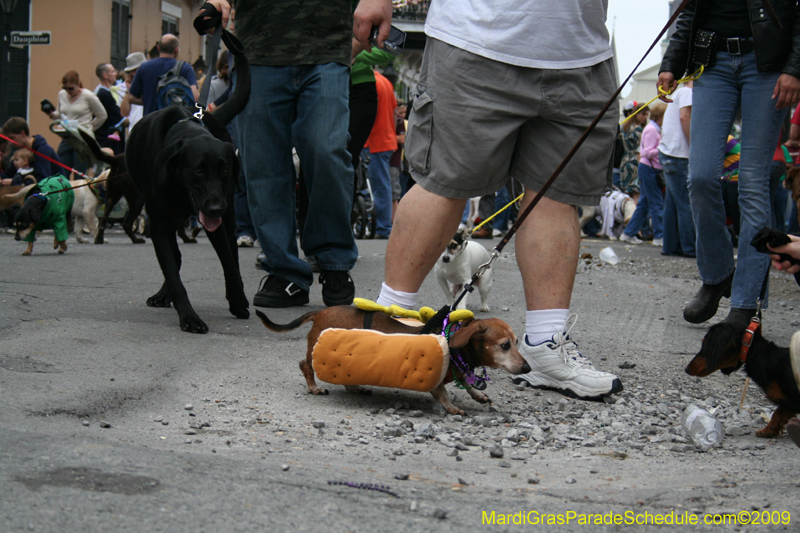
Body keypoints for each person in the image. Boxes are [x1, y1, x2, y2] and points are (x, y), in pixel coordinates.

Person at [370, 0, 622, 400]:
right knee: (444, 182)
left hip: (581, 51)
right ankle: (387, 327)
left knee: (556, 196)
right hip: (475, 37)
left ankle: (544, 346)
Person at [200, 0, 392, 308]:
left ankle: (334, 262)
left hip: (327, 45)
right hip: (258, 49)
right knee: (263, 164)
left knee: (327, 151)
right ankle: (285, 271)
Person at [659, 0, 800, 330]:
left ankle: (746, 302)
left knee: (752, 181)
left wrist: (794, 68)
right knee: (701, 176)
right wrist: (671, 63)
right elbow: (690, 10)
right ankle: (718, 275)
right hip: (714, 62)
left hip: (767, 65)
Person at [620, 102, 667, 246]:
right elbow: (646, 152)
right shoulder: (651, 130)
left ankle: (628, 233)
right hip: (648, 167)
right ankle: (659, 236)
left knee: (644, 203)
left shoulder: (648, 128)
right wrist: (662, 148)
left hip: (643, 166)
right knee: (655, 203)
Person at [43, 70, 107, 175]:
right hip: (67, 137)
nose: (68, 91)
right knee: (61, 173)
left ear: (78, 84)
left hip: (81, 139)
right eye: (65, 88)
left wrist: (89, 128)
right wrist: (51, 114)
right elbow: (60, 113)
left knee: (79, 174)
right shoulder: (62, 94)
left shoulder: (88, 96)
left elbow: (102, 115)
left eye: (71, 88)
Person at [658, 79, 696, 258]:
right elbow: (684, 117)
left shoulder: (679, 92)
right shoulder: (688, 92)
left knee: (672, 203)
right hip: (680, 153)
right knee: (685, 203)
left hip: (669, 152)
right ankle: (690, 247)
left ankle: (670, 246)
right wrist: (694, 144)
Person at [122, 34, 199, 117]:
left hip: (151, 122)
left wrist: (151, 100)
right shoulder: (185, 68)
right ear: (176, 50)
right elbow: (194, 97)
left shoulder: (144, 67)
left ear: (158, 48)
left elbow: (131, 98)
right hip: (176, 122)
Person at [365, 70, 398, 239]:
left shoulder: (371, 82)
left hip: (374, 140)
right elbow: (394, 112)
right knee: (383, 185)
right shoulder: (385, 81)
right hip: (386, 139)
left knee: (379, 186)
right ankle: (383, 226)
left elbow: (368, 112)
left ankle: (383, 227)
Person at [619, 104, 650, 202]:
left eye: (646, 115)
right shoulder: (638, 130)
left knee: (626, 195)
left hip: (625, 161)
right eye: (643, 114)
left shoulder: (625, 127)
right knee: (636, 193)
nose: (645, 117)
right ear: (636, 114)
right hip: (635, 163)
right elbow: (638, 150)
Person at [94, 63, 125, 153]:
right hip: (109, 142)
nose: (116, 73)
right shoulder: (104, 95)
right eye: (113, 71)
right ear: (105, 75)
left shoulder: (106, 92)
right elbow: (120, 118)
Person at [119, 52, 146, 132]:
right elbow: (124, 113)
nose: (133, 74)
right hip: (134, 132)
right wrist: (129, 90)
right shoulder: (131, 88)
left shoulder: (152, 84)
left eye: (135, 70)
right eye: (131, 71)